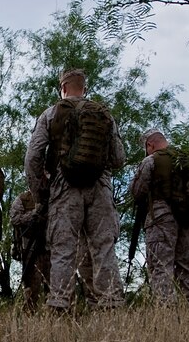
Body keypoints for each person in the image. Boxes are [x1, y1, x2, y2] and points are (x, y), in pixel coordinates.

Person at [25, 69, 125, 312]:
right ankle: (111, 305)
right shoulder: (103, 114)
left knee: (63, 249)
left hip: (64, 187)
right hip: (100, 187)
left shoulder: (51, 113)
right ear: (85, 88)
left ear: (63, 87)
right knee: (103, 248)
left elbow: (32, 158)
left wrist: (41, 193)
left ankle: (60, 305)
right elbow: (119, 158)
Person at [130, 129, 189, 302]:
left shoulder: (151, 161)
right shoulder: (186, 160)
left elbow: (137, 191)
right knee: (188, 267)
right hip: (186, 218)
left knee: (161, 266)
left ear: (150, 144)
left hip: (160, 219)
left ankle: (166, 312)